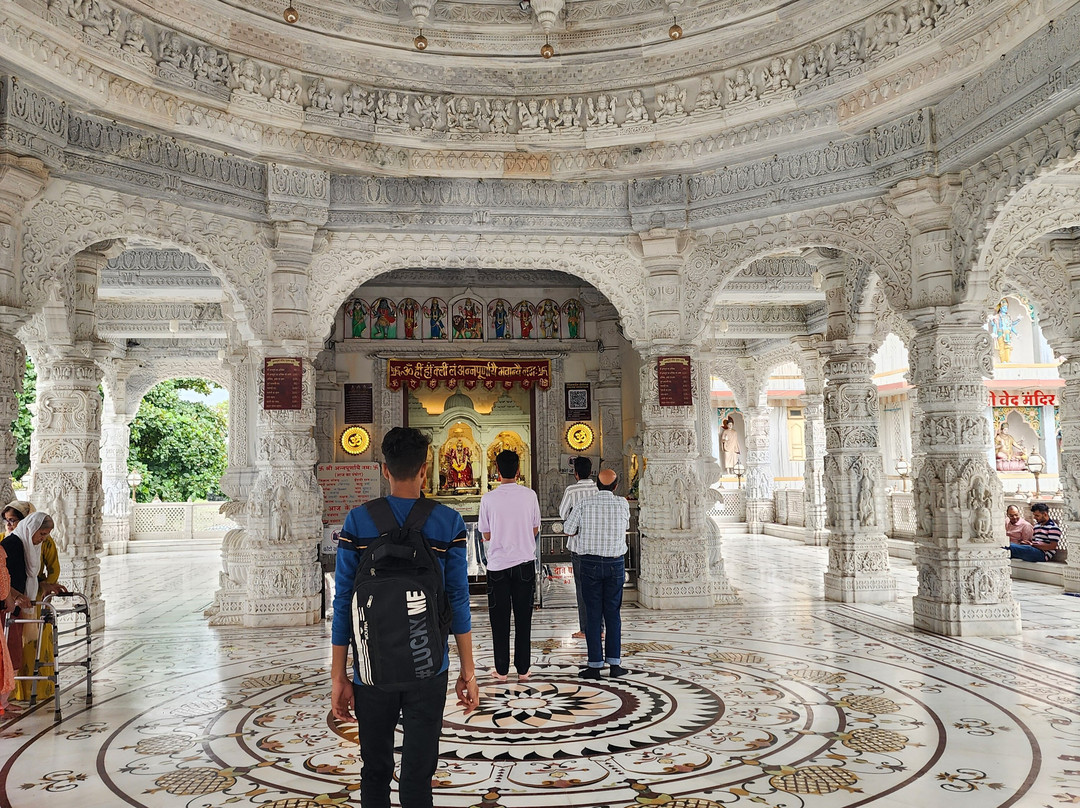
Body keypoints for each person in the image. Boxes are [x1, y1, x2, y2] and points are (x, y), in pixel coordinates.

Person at [331, 427, 479, 808]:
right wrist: (468, 670)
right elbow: (458, 600)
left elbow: (344, 600)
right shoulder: (448, 522)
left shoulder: (357, 522)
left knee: (374, 771)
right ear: (425, 469)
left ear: (385, 470)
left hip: (371, 670)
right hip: (429, 667)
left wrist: (338, 675)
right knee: (417, 775)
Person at [478, 449, 541, 682]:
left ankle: (502, 670)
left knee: (499, 620)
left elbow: (485, 534)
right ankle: (523, 670)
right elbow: (535, 528)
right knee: (524, 619)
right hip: (524, 563)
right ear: (518, 470)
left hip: (498, 566)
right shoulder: (530, 495)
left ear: (497, 470)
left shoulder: (488, 498)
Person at [562, 469, 630, 679]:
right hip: (615, 563)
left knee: (592, 613)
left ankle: (594, 665)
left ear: (597, 486)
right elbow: (625, 525)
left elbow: (568, 529)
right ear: (615, 486)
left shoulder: (584, 504)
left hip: (590, 563)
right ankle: (615, 664)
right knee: (613, 613)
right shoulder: (622, 504)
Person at [4, 501, 65, 702]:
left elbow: (33, 575)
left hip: (25, 602)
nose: (43, 539)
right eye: (42, 534)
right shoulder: (12, 544)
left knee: (20, 651)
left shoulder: (31, 546)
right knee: (10, 651)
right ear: (31, 528)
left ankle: (19, 694)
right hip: (10, 605)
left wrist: (45, 586)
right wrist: (15, 596)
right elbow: (5, 577)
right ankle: (7, 698)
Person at [558, 456, 598, 640]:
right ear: (591, 471)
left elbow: (562, 513)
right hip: (598, 546)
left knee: (582, 589)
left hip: (578, 545)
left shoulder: (572, 490)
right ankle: (600, 628)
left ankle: (584, 629)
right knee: (597, 590)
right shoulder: (598, 489)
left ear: (575, 473)